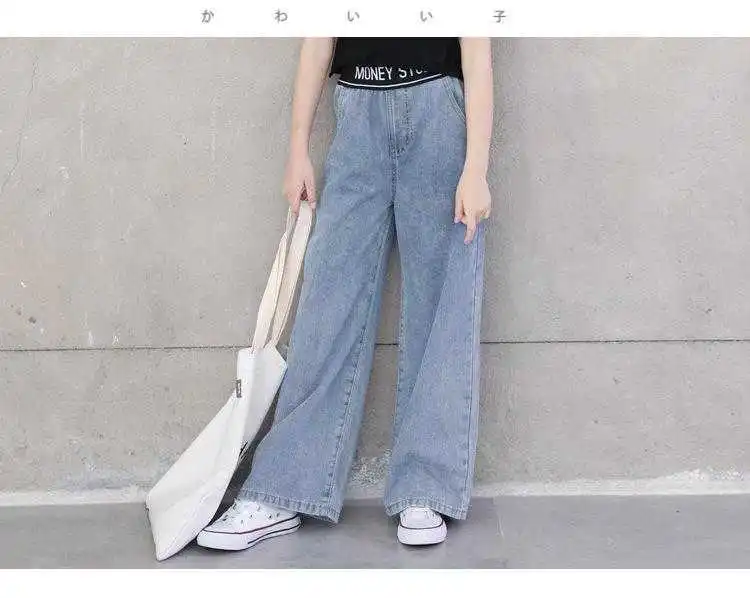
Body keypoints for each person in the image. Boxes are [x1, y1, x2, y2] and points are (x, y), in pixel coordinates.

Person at [197, 37, 493, 550]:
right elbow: (319, 39)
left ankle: (425, 488)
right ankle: (285, 487)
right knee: (327, 304)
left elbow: (476, 47)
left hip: (438, 113)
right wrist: (298, 149)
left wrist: (476, 168)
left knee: (441, 306)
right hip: (357, 114)